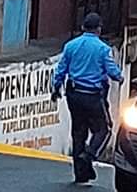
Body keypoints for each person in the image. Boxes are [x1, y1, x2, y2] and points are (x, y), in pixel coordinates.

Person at [52, 12, 124, 183]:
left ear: (83, 28)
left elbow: (60, 70)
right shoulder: (103, 49)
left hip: (74, 94)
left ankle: (80, 173)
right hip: (93, 95)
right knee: (104, 129)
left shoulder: (70, 46)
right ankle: (89, 155)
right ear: (99, 29)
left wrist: (56, 89)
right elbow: (112, 71)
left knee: (78, 131)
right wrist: (120, 77)